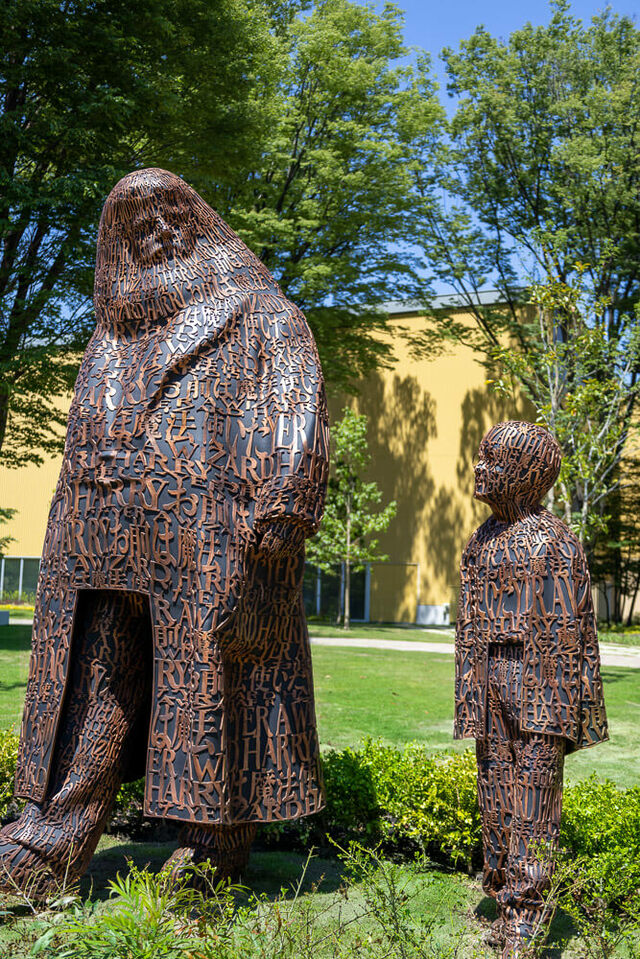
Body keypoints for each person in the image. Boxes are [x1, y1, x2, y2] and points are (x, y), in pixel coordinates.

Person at [0, 168, 329, 897]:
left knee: (211, 690)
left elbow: (295, 412)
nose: (157, 231)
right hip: (102, 541)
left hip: (208, 538)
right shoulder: (108, 335)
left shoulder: (261, 312)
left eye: (169, 214)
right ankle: (53, 837)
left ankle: (212, 851)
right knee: (93, 684)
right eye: (135, 223)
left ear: (196, 219)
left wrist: (281, 512)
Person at [454, 421, 608, 958]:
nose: (480, 470)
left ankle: (527, 908)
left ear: (526, 475)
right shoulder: (483, 539)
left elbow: (569, 632)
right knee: (495, 787)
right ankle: (500, 891)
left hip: (537, 677)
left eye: (494, 462)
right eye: (480, 458)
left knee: (534, 795)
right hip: (491, 676)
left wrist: (552, 710)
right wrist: (473, 691)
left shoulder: (554, 541)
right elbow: (469, 622)